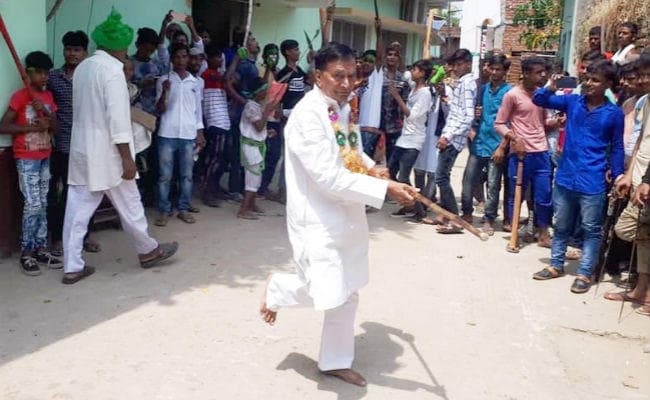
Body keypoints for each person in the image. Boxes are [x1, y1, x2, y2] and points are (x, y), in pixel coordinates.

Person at [259, 42, 416, 387]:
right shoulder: (307, 116)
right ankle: (280, 288)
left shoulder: (343, 108)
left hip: (349, 211)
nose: (347, 83)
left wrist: (374, 168)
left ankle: (334, 361)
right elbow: (328, 177)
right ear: (319, 77)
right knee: (327, 290)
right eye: (338, 76)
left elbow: (351, 152)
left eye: (352, 76)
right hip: (317, 217)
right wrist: (385, 190)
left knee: (348, 288)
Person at [62, 9, 178, 284]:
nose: (126, 52)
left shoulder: (84, 68)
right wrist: (127, 158)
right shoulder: (112, 71)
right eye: (125, 47)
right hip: (109, 152)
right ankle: (148, 251)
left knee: (77, 209)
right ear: (119, 46)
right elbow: (118, 119)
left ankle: (72, 266)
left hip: (82, 150)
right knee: (130, 203)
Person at [531, 60, 625, 293]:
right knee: (561, 224)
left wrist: (618, 175)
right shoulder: (573, 102)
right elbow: (539, 99)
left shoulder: (614, 114)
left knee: (591, 229)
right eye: (587, 78)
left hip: (593, 179)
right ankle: (556, 265)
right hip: (566, 175)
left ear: (608, 84)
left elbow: (617, 147)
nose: (589, 83)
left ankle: (584, 273)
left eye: (596, 80)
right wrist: (550, 86)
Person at [0, 51, 61, 275]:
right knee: (33, 204)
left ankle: (41, 248)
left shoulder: (48, 97)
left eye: (47, 73)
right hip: (26, 158)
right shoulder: (19, 97)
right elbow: (3, 126)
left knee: (43, 203)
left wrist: (45, 112)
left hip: (45, 155)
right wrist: (31, 127)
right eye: (40, 73)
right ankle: (27, 252)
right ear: (29, 73)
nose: (44, 77)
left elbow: (56, 127)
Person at [46, 31, 100, 256]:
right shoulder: (53, 78)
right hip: (61, 146)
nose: (72, 54)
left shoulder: (92, 76)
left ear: (85, 52)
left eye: (77, 50)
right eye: (68, 49)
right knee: (60, 194)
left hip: (87, 145)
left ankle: (85, 235)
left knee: (87, 193)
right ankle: (57, 238)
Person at [606, 53, 650, 315]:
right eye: (641, 75)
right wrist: (628, 175)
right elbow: (640, 141)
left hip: (648, 181)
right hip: (639, 176)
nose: (642, 80)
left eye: (647, 75)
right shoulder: (644, 102)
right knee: (637, 233)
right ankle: (640, 289)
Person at [495, 57, 553, 249]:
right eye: (538, 72)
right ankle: (514, 234)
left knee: (544, 196)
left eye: (544, 72)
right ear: (526, 74)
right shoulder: (512, 95)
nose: (543, 76)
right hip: (520, 154)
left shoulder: (541, 96)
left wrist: (557, 122)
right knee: (516, 196)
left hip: (541, 152)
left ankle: (543, 233)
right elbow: (499, 124)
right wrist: (514, 139)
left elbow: (543, 123)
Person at [154, 43, 206, 226]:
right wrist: (165, 91)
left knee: (187, 175)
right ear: (171, 59)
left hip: (188, 134)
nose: (181, 60)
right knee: (165, 176)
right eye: (177, 57)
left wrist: (200, 132)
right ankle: (164, 210)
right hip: (167, 133)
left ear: (189, 59)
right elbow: (159, 109)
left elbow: (198, 111)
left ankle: (183, 208)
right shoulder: (164, 80)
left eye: (184, 56)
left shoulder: (195, 82)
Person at [461, 54, 512, 234]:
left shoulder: (509, 92)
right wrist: (475, 117)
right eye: (492, 69)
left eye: (499, 69)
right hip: (479, 142)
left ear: (505, 72)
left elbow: (511, 123)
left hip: (496, 144)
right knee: (468, 179)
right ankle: (467, 212)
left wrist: (502, 147)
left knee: (493, 184)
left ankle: (489, 218)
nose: (494, 72)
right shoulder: (482, 90)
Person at [434, 49, 477, 233]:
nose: (456, 68)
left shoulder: (467, 84)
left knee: (441, 177)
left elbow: (468, 116)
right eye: (455, 65)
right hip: (451, 133)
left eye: (459, 64)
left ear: (468, 64)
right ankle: (446, 215)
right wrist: (449, 101)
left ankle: (455, 219)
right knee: (442, 176)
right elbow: (459, 110)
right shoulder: (463, 83)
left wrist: (448, 136)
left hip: (453, 138)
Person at [388, 59, 434, 218]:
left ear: (422, 73)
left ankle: (419, 210)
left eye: (415, 69)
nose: (412, 72)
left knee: (403, 176)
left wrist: (397, 97)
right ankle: (409, 204)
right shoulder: (414, 87)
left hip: (414, 139)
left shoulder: (425, 94)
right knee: (391, 170)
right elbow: (403, 72)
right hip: (404, 137)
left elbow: (412, 115)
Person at [237, 77, 279, 219]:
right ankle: (243, 210)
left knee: (257, 176)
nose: (267, 93)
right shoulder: (251, 107)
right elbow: (259, 126)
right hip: (251, 146)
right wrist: (267, 112)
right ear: (258, 92)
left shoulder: (257, 106)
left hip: (256, 145)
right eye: (265, 91)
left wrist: (267, 132)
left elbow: (260, 129)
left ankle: (252, 204)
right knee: (253, 178)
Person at [226, 34, 261, 200]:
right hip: (240, 113)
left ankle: (240, 188)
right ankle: (235, 189)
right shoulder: (245, 65)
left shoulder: (253, 65)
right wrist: (244, 101)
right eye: (252, 40)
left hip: (246, 111)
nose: (256, 42)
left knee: (242, 152)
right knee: (238, 153)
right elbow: (230, 82)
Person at [200, 44, 231, 206]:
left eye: (221, 57)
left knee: (223, 158)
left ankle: (214, 186)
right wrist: (236, 59)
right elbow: (227, 79)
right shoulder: (207, 74)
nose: (219, 60)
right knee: (215, 158)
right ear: (209, 59)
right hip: (214, 121)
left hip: (224, 121)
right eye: (217, 57)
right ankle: (207, 190)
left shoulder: (218, 75)